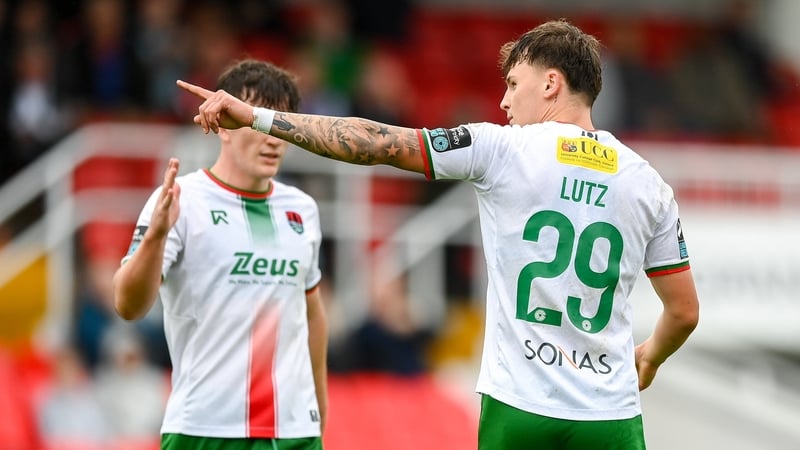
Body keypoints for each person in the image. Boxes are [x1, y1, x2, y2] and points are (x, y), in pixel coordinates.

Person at [177, 19, 700, 450]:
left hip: (520, 409)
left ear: (551, 84)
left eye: (513, 85)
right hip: (610, 415)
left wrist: (258, 118)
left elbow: (375, 142)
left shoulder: (501, 149)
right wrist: (649, 354)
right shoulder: (647, 184)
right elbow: (684, 312)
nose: (503, 103)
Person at [113, 59, 328, 450]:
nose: (273, 137)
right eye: (257, 120)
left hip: (295, 431)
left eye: (280, 123)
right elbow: (128, 305)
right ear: (223, 123)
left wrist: (319, 412)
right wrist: (156, 237)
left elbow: (312, 316)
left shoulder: (303, 209)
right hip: (204, 430)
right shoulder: (182, 201)